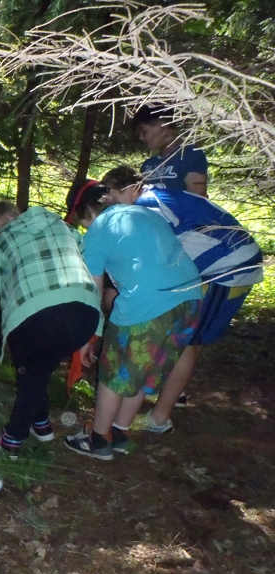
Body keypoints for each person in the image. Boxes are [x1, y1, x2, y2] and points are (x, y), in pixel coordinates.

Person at [100, 165, 263, 428]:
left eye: (113, 197)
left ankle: (160, 416)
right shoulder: (156, 198)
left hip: (226, 267)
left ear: (130, 189)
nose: (112, 206)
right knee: (182, 332)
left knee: (188, 339)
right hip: (217, 263)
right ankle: (162, 397)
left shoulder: (148, 206)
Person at [63, 180, 203, 460]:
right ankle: (120, 432)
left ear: (89, 213)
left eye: (83, 223)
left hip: (147, 304)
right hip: (191, 300)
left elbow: (91, 294)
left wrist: (86, 339)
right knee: (146, 369)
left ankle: (99, 439)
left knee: (115, 370)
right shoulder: (146, 214)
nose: (85, 229)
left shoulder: (98, 232)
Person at [0, 195, 102, 460]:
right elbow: (90, 273)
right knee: (39, 367)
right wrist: (91, 333)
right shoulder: (63, 226)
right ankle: (41, 423)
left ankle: (13, 437)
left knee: (32, 366)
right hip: (84, 312)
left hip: (35, 317)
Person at [132, 104, 208, 197]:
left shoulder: (190, 154)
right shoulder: (147, 165)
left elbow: (198, 198)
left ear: (163, 126)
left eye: (144, 131)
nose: (141, 137)